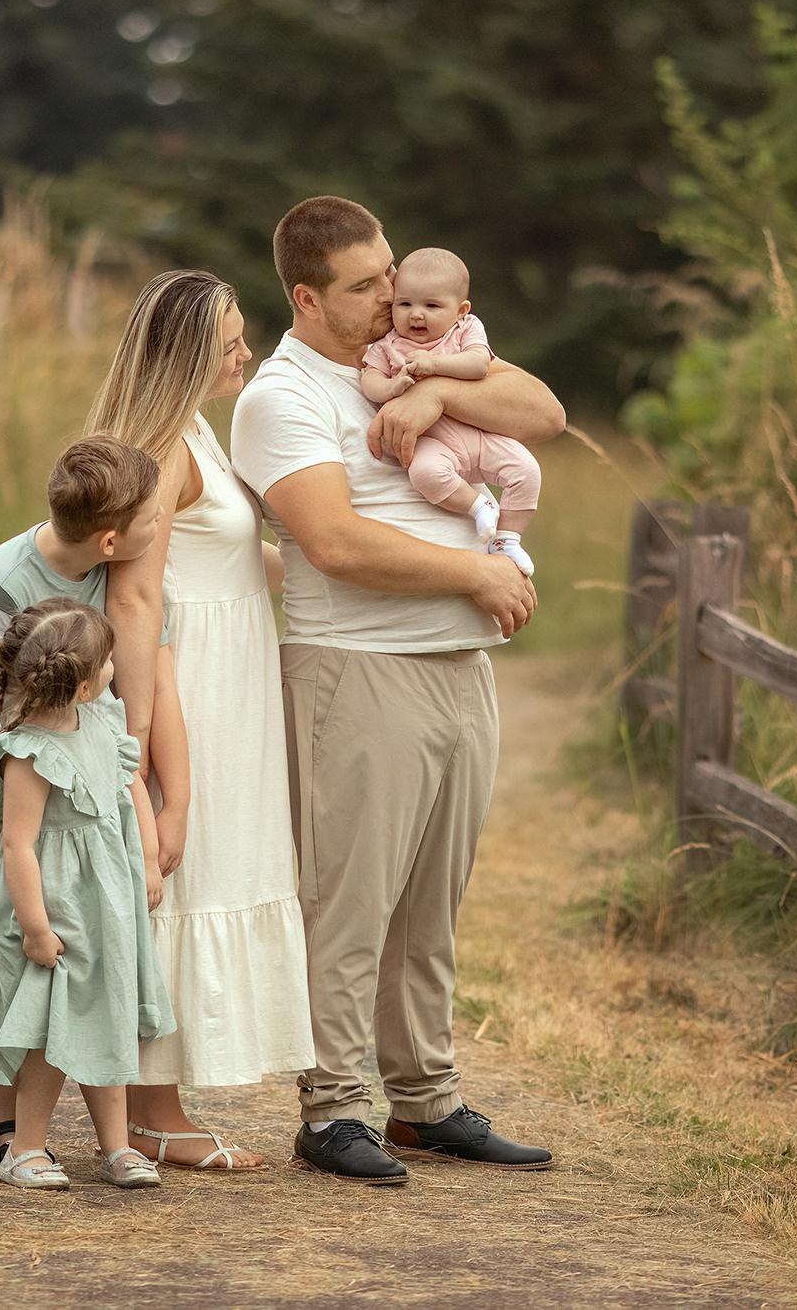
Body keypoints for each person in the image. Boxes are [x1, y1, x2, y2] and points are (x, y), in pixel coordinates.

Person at [230, 195, 563, 1184]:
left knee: (431, 904)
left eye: (389, 275)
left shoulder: (418, 355)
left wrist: (426, 398)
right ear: (305, 294)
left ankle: (424, 1099)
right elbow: (329, 542)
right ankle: (332, 1109)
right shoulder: (281, 397)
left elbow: (543, 411)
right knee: (348, 901)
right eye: (366, 285)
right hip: (356, 670)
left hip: (458, 667)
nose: (390, 297)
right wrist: (475, 572)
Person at [93, 268, 314, 1171]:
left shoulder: (198, 435)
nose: (247, 351)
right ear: (187, 353)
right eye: (230, 341)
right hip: (192, 687)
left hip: (235, 679)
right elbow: (136, 599)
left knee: (211, 871)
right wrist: (139, 750)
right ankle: (154, 1112)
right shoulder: (156, 448)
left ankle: (162, 1103)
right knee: (178, 878)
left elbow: (237, 557)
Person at [0, 436, 161, 1178]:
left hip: (55, 761)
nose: (158, 529)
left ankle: (8, 1116)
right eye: (150, 518)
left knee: (27, 936)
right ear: (110, 535)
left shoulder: (110, 571)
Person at [0, 599, 174, 1190]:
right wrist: (35, 926)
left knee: (106, 1017)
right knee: (50, 1026)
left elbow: (128, 786)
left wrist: (149, 863)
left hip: (107, 898)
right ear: (83, 682)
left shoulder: (105, 719)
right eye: (109, 660)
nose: (116, 667)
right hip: (56, 905)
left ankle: (116, 1147)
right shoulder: (30, 753)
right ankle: (25, 1147)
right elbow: (18, 847)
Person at [359, 247, 541, 575]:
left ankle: (508, 538)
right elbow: (369, 378)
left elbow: (478, 364)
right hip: (434, 442)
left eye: (431, 305)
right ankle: (478, 505)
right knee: (424, 473)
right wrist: (391, 388)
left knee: (526, 470)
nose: (416, 315)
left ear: (460, 310)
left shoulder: (464, 331)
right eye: (404, 304)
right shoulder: (388, 344)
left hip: (477, 435)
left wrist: (434, 365)